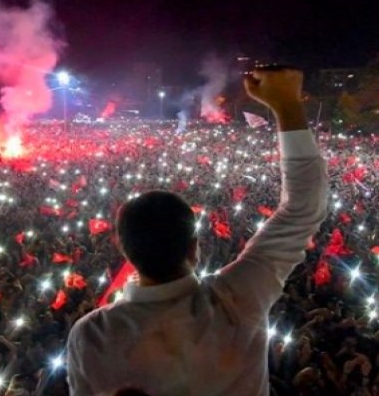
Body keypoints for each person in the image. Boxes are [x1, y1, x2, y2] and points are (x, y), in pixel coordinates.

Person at [66, 67, 329, 395]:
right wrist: (287, 105)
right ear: (195, 246)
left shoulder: (92, 335)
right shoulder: (238, 299)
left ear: (123, 248)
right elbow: (303, 207)